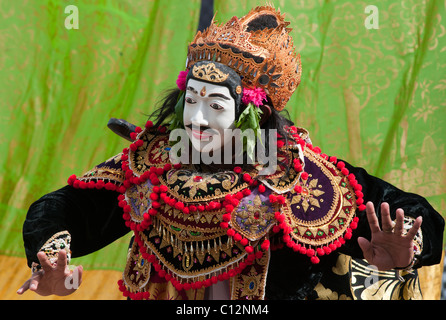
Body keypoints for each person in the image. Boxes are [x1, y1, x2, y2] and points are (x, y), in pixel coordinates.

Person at [17, 5, 444, 300]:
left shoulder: (297, 174)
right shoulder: (154, 163)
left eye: (216, 106)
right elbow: (65, 207)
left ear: (250, 115)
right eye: (193, 100)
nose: (197, 119)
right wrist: (51, 257)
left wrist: (407, 249)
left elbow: (406, 210)